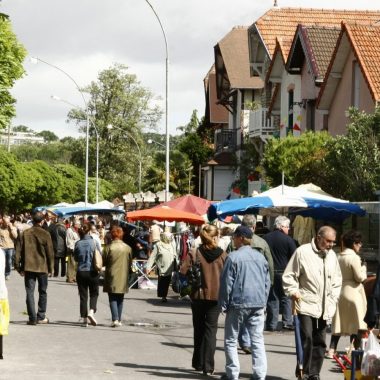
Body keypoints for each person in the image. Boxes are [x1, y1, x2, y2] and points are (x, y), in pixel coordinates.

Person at [282, 226, 342, 380]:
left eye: (333, 242)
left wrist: (333, 299)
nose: (330, 245)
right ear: (318, 237)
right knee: (307, 338)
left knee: (320, 342)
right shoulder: (303, 252)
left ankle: (314, 373)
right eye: (328, 241)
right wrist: (293, 290)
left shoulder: (332, 256)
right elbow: (289, 276)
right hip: (305, 303)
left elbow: (337, 281)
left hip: (324, 306)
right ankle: (304, 371)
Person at [219, 226, 270, 380]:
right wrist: (264, 301)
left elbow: (226, 283)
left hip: (238, 302)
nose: (233, 240)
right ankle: (260, 375)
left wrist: (223, 303)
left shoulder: (233, 257)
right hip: (258, 302)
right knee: (257, 340)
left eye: (234, 237)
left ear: (241, 238)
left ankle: (232, 374)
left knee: (231, 339)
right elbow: (267, 282)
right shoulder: (261, 257)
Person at [180, 224, 227, 376]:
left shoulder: (195, 252)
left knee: (198, 328)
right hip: (216, 297)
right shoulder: (223, 255)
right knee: (211, 331)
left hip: (198, 295)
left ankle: (198, 362)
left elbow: (183, 270)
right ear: (215, 237)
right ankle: (208, 366)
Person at [326, 230, 367, 357]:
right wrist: (364, 268)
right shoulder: (354, 257)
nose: (360, 246)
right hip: (353, 292)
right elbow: (359, 277)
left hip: (339, 291)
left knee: (338, 321)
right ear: (354, 244)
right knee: (357, 323)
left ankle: (332, 350)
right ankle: (353, 350)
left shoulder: (338, 256)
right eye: (359, 243)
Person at [237, 214, 274, 354]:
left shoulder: (236, 241)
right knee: (256, 314)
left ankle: (245, 341)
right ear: (254, 226)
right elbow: (269, 264)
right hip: (259, 283)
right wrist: (270, 282)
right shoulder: (262, 242)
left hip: (241, 283)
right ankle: (252, 341)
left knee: (242, 313)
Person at [14, 211, 54, 325]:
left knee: (29, 292)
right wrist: (51, 269)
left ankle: (32, 318)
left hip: (28, 267)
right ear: (42, 221)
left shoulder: (24, 233)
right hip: (42, 267)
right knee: (43, 292)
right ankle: (41, 316)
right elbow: (50, 253)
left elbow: (18, 251)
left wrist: (18, 267)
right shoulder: (45, 234)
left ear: (32, 220)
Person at [263, 215, 297, 331]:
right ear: (282, 226)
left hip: (270, 272)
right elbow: (295, 256)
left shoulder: (266, 238)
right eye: (287, 227)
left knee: (272, 298)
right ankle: (287, 322)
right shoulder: (288, 240)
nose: (289, 229)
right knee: (286, 298)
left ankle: (271, 324)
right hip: (285, 272)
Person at [102, 226, 132, 327]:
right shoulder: (127, 248)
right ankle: (118, 319)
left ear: (112, 234)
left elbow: (103, 262)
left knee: (112, 297)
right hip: (123, 275)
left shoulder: (108, 247)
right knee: (120, 297)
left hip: (111, 274)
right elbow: (130, 262)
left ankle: (115, 319)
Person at [74, 223, 101, 327]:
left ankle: (84, 318)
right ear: (89, 231)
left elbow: (75, 258)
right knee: (94, 293)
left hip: (81, 271)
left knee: (83, 295)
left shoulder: (78, 243)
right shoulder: (94, 242)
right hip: (93, 271)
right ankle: (91, 310)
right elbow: (99, 255)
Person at [146, 231, 177, 302]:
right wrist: (148, 267)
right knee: (162, 281)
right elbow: (152, 257)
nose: (170, 238)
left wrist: (177, 265)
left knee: (167, 281)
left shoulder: (172, 244)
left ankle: (164, 295)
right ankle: (163, 296)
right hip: (161, 267)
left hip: (170, 266)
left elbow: (175, 254)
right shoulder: (158, 245)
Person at [0, 216, 18, 280]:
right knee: (2, 261)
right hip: (2, 247)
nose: (7, 224)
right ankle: (2, 273)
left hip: (10, 247)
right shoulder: (0, 228)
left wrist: (11, 228)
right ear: (3, 222)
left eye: (8, 222)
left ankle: (7, 274)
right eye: (5, 222)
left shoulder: (13, 228)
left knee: (9, 261)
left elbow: (15, 236)